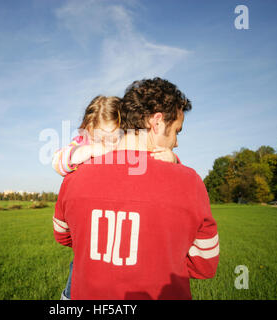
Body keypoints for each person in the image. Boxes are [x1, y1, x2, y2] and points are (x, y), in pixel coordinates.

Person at [53, 77, 219, 300]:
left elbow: (63, 236)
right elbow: (203, 265)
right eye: (177, 131)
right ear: (157, 122)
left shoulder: (75, 176)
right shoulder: (190, 182)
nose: (177, 142)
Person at [52, 94, 179, 299]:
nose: (106, 146)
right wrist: (87, 151)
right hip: (91, 229)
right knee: (80, 270)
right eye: (98, 139)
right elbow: (58, 162)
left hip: (123, 221)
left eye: (112, 140)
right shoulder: (83, 145)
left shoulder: (131, 149)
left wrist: (172, 159)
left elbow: (155, 162)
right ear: (88, 132)